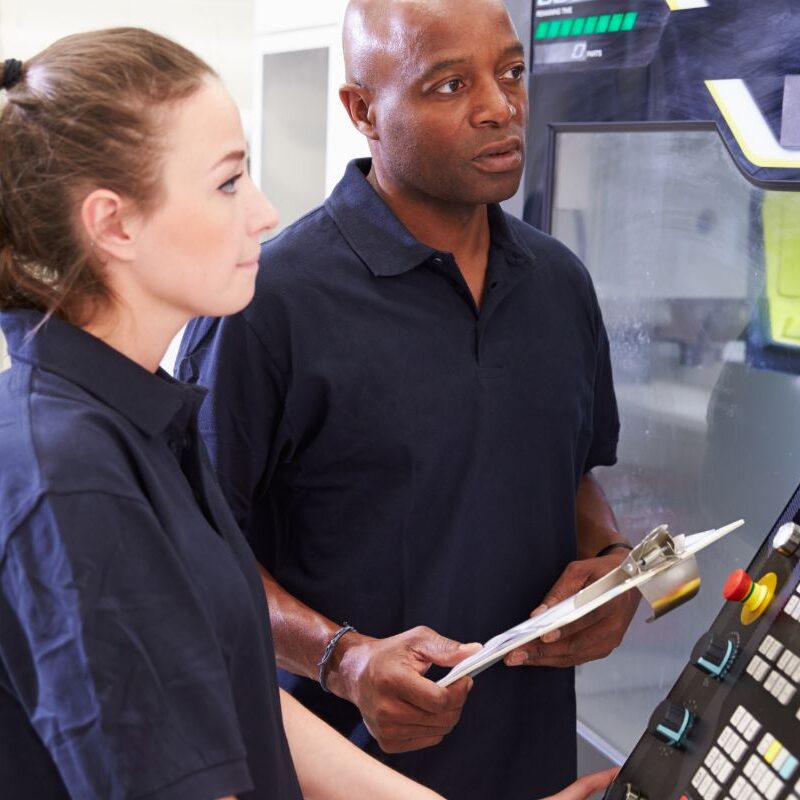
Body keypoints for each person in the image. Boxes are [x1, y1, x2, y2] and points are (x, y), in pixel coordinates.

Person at [0, 27, 619, 800]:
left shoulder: (142, 423)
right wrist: (343, 658)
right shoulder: (71, 477)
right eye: (229, 183)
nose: (262, 213)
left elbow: (241, 700)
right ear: (113, 224)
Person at [176, 0, 639, 798]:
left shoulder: (560, 285)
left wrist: (611, 571)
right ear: (363, 111)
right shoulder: (268, 302)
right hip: (342, 770)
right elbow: (192, 552)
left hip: (532, 766)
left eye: (511, 72)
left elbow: (569, 477)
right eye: (449, 85)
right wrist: (342, 657)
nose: (501, 106)